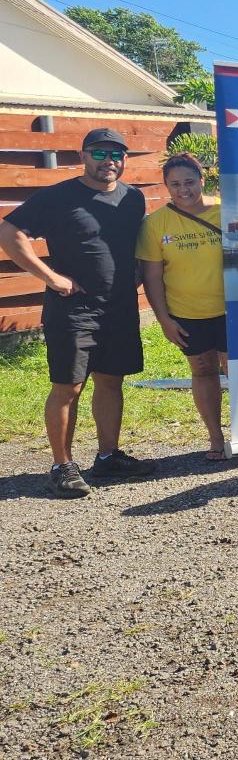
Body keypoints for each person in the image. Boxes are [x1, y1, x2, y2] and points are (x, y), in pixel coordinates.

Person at [0, 127, 153, 497]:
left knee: (111, 379)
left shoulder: (133, 198)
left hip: (118, 306)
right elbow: (9, 231)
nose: (108, 162)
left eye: (116, 155)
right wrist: (51, 277)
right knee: (68, 386)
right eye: (99, 154)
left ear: (125, 160)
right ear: (83, 156)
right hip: (73, 308)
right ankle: (61, 465)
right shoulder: (58, 196)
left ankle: (107, 456)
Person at [137, 154, 227, 460]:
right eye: (174, 184)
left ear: (202, 180)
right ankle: (216, 438)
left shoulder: (224, 209)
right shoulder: (155, 223)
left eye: (189, 182)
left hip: (231, 311)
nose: (183, 189)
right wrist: (163, 320)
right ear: (166, 186)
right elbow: (152, 276)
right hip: (187, 313)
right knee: (202, 371)